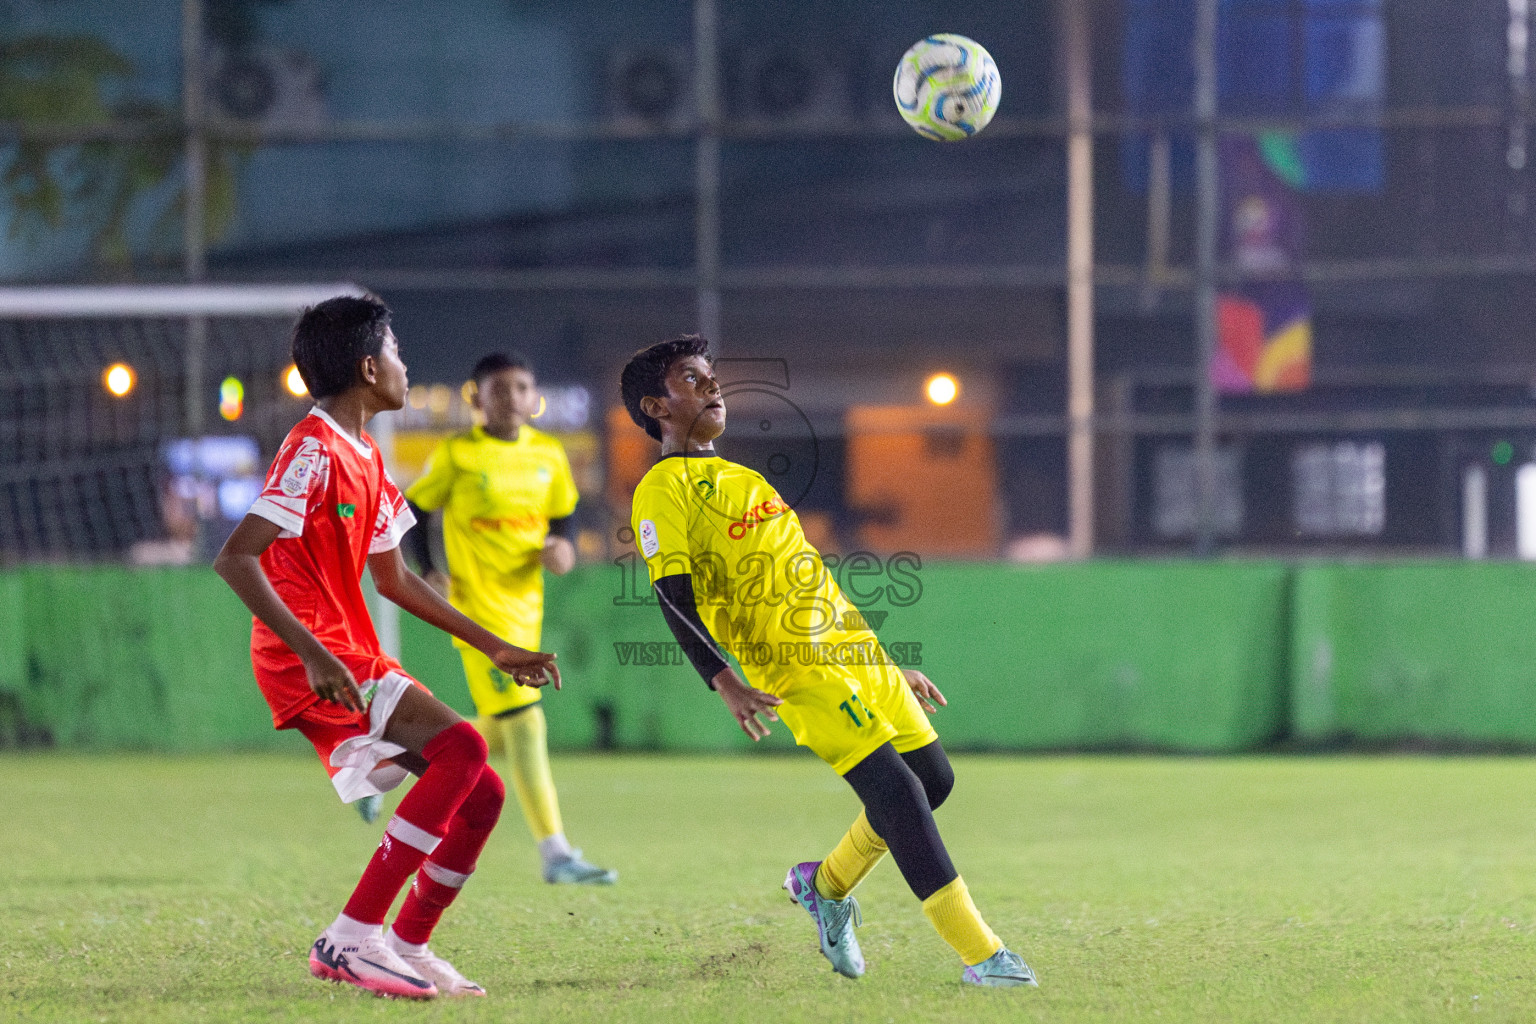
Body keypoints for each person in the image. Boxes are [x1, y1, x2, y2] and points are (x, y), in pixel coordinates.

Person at [619, 335, 1036, 988]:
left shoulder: (745, 479)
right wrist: (723, 678)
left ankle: (825, 884)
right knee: (896, 793)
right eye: (692, 380)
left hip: (853, 651)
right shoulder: (661, 491)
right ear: (655, 406)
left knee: (932, 780)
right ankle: (983, 955)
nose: (712, 388)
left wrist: (885, 663)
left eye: (711, 377)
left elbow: (814, 582)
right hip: (796, 671)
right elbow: (673, 599)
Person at [214, 296, 560, 999]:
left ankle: (407, 943)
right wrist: (312, 652)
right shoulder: (312, 448)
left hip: (342, 650)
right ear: (370, 368)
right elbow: (236, 558)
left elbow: (395, 577)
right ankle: (351, 937)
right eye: (398, 351)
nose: (407, 364)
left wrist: (496, 646)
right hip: (308, 654)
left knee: (481, 794)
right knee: (465, 749)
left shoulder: (366, 455)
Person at [402, 352, 617, 886]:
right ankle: (556, 853)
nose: (512, 397)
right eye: (500, 388)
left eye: (522, 387)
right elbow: (414, 513)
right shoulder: (457, 454)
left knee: (492, 732)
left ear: (533, 393)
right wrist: (428, 570)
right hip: (477, 614)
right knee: (526, 721)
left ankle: (391, 760)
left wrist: (563, 548)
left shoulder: (548, 453)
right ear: (476, 397)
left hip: (527, 611)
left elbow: (563, 518)